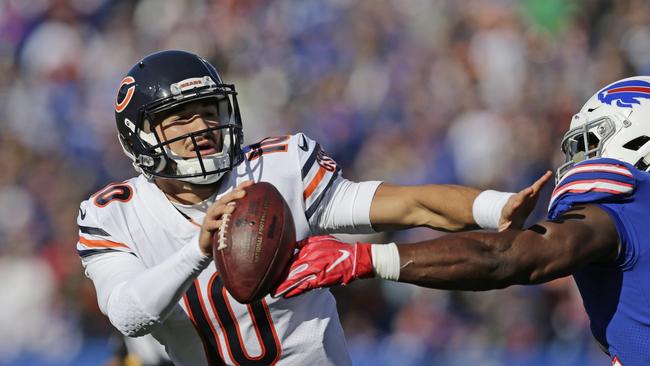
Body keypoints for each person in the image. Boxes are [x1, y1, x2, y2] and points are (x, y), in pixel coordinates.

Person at [77, 49, 546, 366]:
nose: (201, 127)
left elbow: (405, 204)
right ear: (140, 137)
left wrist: (495, 206)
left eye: (209, 111)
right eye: (180, 118)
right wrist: (199, 250)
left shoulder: (278, 170)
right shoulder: (111, 213)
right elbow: (128, 314)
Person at [275, 76, 650, 366]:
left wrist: (366, 260)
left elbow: (509, 258)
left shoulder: (626, 206)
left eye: (590, 144)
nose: (576, 162)